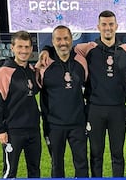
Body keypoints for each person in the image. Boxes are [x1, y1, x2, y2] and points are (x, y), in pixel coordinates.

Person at [39, 10, 126, 177]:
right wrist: (46, 49)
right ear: (98, 27)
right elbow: (63, 47)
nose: (108, 28)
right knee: (95, 155)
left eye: (111, 24)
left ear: (117, 26)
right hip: (94, 110)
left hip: (118, 110)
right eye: (104, 25)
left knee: (117, 154)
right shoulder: (86, 49)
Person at [36, 25, 89, 177]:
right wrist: (45, 50)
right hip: (53, 126)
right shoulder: (44, 65)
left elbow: (88, 85)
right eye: (58, 39)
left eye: (66, 38)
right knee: (56, 165)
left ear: (72, 40)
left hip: (78, 124)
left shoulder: (81, 62)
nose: (62, 42)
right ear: (53, 42)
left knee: (81, 164)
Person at [0, 31, 41, 178]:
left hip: (33, 130)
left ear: (31, 48)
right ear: (12, 48)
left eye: (27, 47)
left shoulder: (31, 70)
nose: (24, 51)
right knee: (10, 171)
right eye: (20, 47)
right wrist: (0, 129)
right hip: (12, 131)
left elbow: (34, 91)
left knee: (35, 170)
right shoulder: (4, 72)